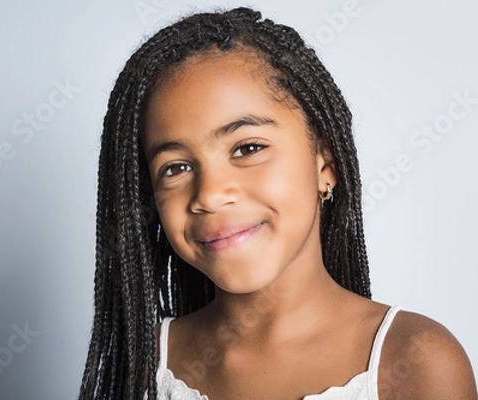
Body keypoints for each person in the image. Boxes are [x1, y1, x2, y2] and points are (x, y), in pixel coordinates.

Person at [78, 7, 477, 400]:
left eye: (248, 148)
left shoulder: (415, 362)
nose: (211, 194)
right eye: (176, 167)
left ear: (326, 162)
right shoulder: (145, 366)